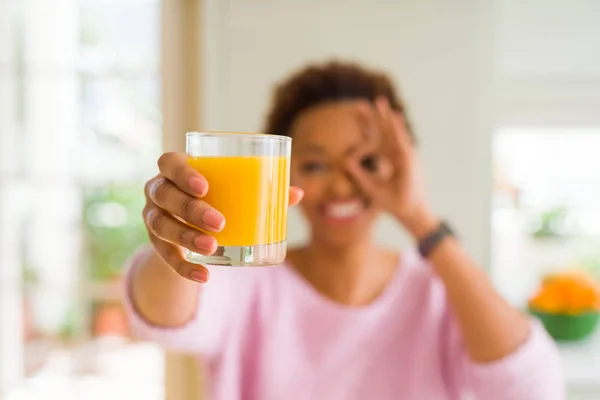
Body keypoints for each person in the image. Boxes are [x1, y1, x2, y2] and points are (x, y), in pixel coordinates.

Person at [123, 61, 564, 400]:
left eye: (366, 162)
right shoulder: (249, 279)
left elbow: (531, 386)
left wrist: (421, 219)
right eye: (315, 165)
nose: (340, 185)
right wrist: (172, 245)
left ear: (401, 167)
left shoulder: (440, 291)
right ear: (278, 174)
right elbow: (163, 317)